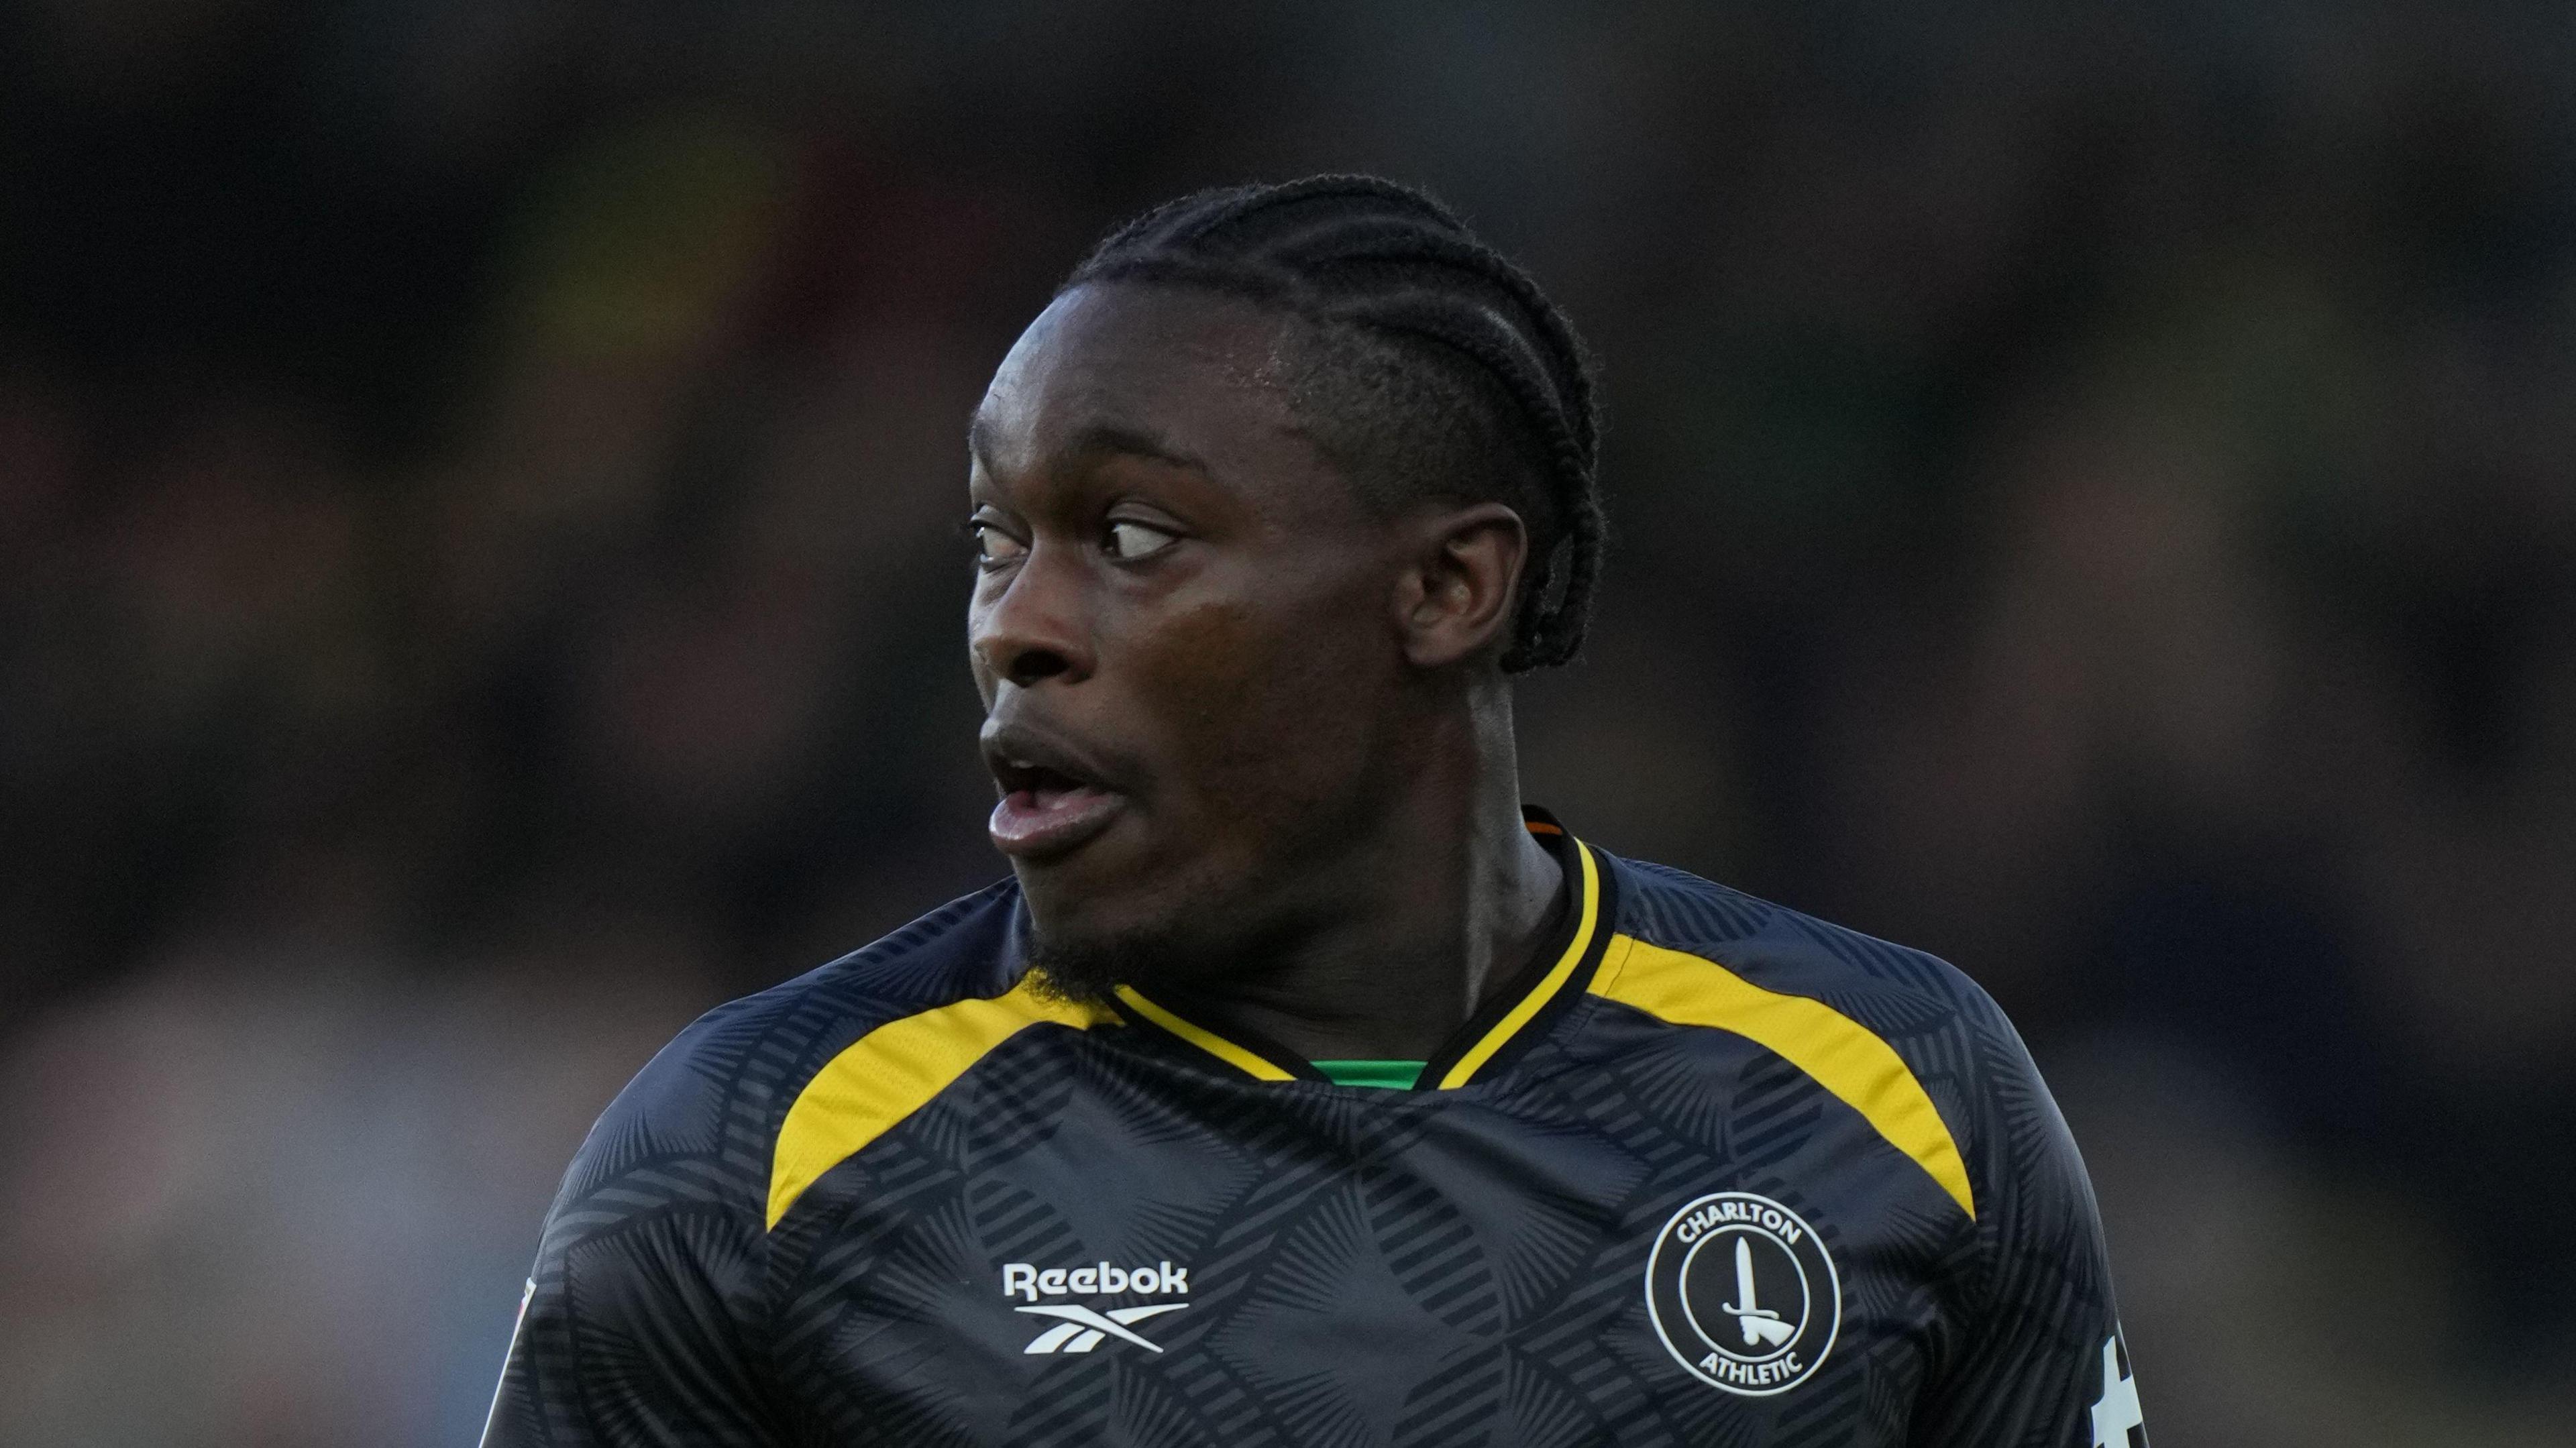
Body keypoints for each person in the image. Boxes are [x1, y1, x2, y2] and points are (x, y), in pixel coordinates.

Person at [482, 175, 2147, 1447]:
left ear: (1445, 588)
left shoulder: (1897, 1099)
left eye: (1134, 535)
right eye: (999, 540)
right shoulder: (753, 1157)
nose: (1016, 623)